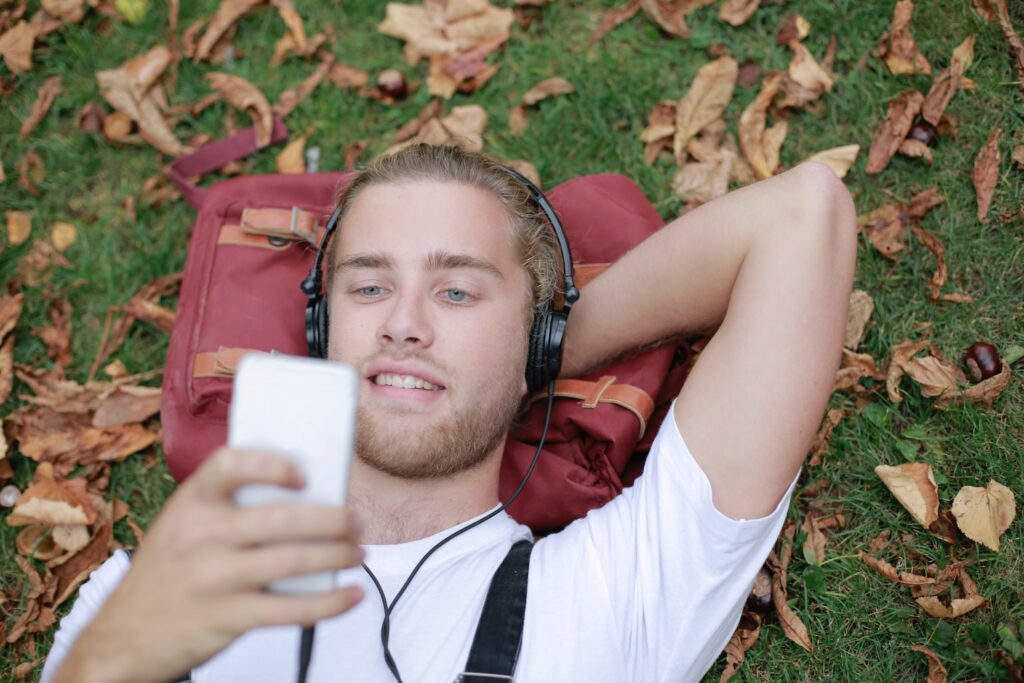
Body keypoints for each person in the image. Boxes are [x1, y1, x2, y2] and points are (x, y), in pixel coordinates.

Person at [41, 144, 857, 682]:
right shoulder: (149, 593)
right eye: (367, 286)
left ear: (534, 332)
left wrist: (539, 357)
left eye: (458, 290)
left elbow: (802, 216)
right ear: (322, 329)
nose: (403, 321)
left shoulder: (616, 590)